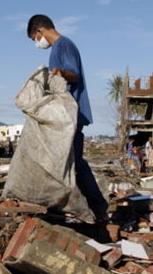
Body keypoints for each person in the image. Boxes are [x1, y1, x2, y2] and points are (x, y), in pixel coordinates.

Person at [27, 14, 109, 221]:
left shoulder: (64, 45)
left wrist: (59, 73)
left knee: (72, 163)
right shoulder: (58, 48)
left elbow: (74, 74)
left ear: (40, 31)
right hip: (65, 115)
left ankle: (95, 207)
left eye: (35, 39)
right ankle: (76, 208)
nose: (37, 43)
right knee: (67, 163)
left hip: (70, 115)